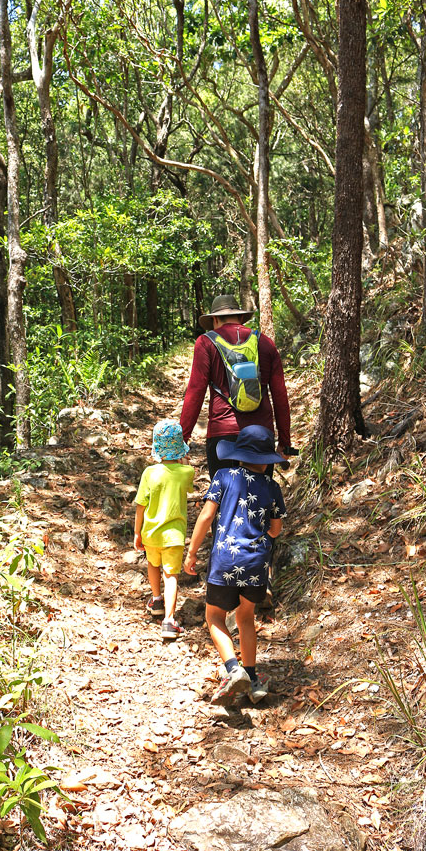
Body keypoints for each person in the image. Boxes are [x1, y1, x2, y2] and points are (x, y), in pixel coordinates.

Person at [183, 425, 286, 705]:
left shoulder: (223, 476)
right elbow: (275, 530)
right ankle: (252, 678)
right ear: (267, 460)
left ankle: (232, 670)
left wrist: (192, 552)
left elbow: (206, 517)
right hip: (255, 564)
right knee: (245, 618)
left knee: (214, 617)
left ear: (238, 454)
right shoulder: (272, 487)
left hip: (224, 559)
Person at [180, 294, 292, 479]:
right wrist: (285, 442)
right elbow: (280, 395)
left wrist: (182, 440)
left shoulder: (206, 342)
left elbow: (195, 392)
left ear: (214, 319)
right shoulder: (264, 343)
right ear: (241, 317)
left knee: (225, 499)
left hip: (222, 435)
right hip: (261, 436)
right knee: (260, 501)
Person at [134, 419, 195, 640]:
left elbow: (141, 505)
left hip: (150, 532)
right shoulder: (186, 472)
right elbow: (189, 479)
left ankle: (156, 600)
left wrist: (137, 532)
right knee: (171, 574)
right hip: (174, 536)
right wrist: (184, 461)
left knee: (152, 563)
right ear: (179, 448)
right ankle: (169, 621)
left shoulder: (149, 473)